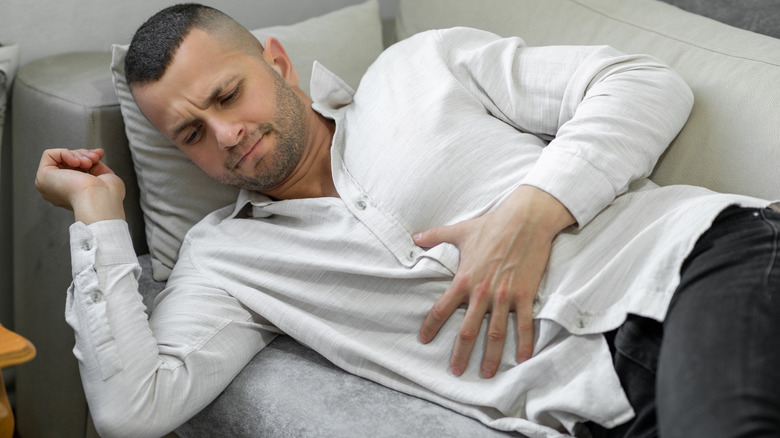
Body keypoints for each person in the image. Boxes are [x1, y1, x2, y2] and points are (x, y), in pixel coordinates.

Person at [34, 4, 780, 438]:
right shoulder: (227, 261)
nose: (225, 136)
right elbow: (132, 411)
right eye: (191, 134)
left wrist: (532, 211)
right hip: (603, 409)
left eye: (229, 96)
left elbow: (640, 82)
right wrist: (97, 220)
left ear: (277, 64)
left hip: (700, 270)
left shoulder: (417, 70)